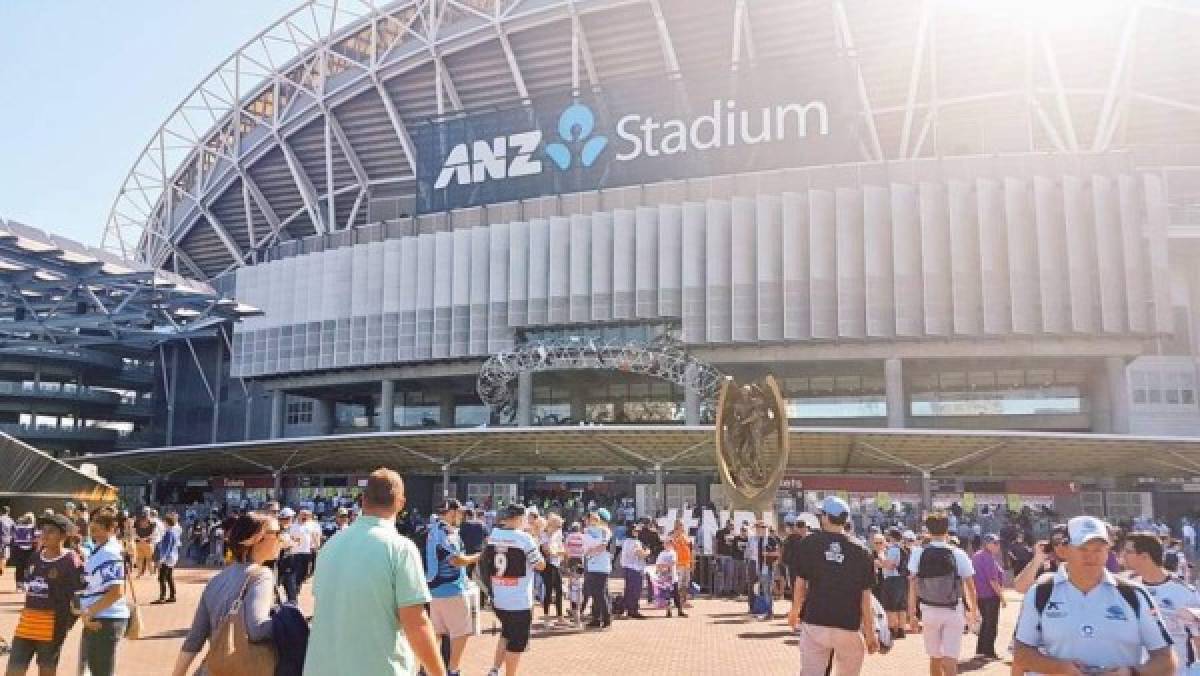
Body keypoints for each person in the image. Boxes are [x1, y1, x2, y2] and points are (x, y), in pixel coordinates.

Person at [304, 469, 446, 676]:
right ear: (401, 503)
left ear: (362, 500)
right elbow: (416, 623)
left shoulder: (330, 545)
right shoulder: (400, 548)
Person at [1013, 516, 1177, 676]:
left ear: (1108, 551)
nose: (1091, 556)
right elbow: (1021, 652)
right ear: (1064, 550)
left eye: (1098, 549)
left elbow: (1166, 660)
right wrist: (1059, 668)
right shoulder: (1041, 592)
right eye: (1083, 548)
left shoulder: (1134, 594)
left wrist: (1131, 673)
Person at [171, 511, 282, 676]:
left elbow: (194, 639)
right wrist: (289, 621)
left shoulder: (217, 580)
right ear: (258, 538)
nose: (281, 539)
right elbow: (257, 629)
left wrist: (178, 673)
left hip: (214, 668)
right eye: (277, 533)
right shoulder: (261, 576)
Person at [788, 496, 879, 676]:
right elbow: (865, 597)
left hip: (815, 621)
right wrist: (870, 632)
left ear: (825, 517)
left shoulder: (809, 543)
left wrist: (795, 611)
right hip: (848, 624)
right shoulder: (861, 550)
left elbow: (800, 584)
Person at [5, 514, 84, 676]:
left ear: (63, 535)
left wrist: (65, 624)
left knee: (46, 671)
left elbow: (80, 595)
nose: (45, 535)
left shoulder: (71, 560)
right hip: (26, 625)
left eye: (51, 531)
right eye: (43, 530)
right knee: (14, 670)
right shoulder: (35, 557)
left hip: (51, 627)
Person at [907, 512, 978, 676]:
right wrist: (973, 610)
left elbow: (912, 585)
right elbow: (970, 586)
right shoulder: (958, 553)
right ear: (948, 530)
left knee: (934, 657)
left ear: (927, 530)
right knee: (951, 659)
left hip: (928, 609)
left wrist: (912, 614)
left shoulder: (919, 553)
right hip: (953, 610)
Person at [481, 503, 546, 676]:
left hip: (499, 596)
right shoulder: (524, 539)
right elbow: (540, 565)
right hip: (519, 601)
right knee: (516, 644)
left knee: (506, 633)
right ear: (518, 518)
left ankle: (494, 669)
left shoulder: (494, 534)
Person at [1123, 531, 1200, 676]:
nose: (1122, 555)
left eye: (1128, 552)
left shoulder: (1184, 592)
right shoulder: (1127, 588)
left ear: (1144, 556)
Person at [425, 499, 481, 676]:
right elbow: (455, 560)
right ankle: (453, 670)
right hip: (452, 590)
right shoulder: (446, 532)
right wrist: (477, 557)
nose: (461, 516)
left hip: (433, 590)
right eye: (459, 512)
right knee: (461, 632)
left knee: (437, 633)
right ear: (451, 512)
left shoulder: (431, 529)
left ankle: (429, 669)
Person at [78, 507, 131, 676]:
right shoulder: (100, 548)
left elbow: (117, 591)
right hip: (99, 615)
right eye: (92, 524)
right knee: (92, 667)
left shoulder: (109, 552)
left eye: (98, 526)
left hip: (106, 618)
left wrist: (90, 610)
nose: (93, 530)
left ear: (111, 528)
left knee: (101, 670)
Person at [970, 533, 1005, 660]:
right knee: (990, 624)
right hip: (990, 596)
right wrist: (1002, 597)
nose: (998, 546)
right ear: (987, 544)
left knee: (985, 624)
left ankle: (981, 650)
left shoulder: (976, 556)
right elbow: (993, 580)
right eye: (995, 543)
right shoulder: (987, 557)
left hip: (980, 595)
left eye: (998, 543)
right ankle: (988, 652)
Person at [581, 509, 612, 629]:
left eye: (596, 518)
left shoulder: (605, 530)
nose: (592, 520)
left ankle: (606, 618)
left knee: (601, 592)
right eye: (591, 518)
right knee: (594, 593)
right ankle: (596, 618)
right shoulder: (587, 530)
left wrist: (591, 551)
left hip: (602, 566)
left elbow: (603, 546)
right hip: (591, 565)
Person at [879, 527, 909, 640]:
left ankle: (892, 630)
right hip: (901, 579)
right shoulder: (902, 548)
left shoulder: (892, 549)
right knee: (901, 606)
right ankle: (901, 630)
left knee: (890, 605)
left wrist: (881, 556)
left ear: (891, 537)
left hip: (892, 579)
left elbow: (890, 565)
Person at [747, 520, 781, 619]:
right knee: (752, 588)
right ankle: (753, 608)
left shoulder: (771, 539)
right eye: (757, 528)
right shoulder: (752, 539)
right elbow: (748, 552)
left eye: (762, 528)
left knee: (767, 590)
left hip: (766, 568)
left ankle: (769, 612)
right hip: (754, 565)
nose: (759, 530)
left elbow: (777, 553)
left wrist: (767, 554)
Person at [537, 513, 565, 627]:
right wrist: (558, 552)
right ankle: (546, 617)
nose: (559, 528)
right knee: (548, 590)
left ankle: (560, 617)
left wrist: (558, 552)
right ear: (551, 525)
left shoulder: (558, 533)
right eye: (558, 526)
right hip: (547, 565)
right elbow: (547, 551)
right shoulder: (543, 534)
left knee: (559, 590)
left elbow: (561, 548)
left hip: (556, 563)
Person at [619, 522, 650, 620]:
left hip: (627, 568)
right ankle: (633, 610)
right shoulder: (634, 542)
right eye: (635, 531)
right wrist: (648, 551)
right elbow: (640, 554)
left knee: (628, 590)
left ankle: (628, 609)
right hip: (635, 569)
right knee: (635, 590)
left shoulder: (626, 541)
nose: (637, 532)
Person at [289, 509, 322, 599]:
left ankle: (297, 585)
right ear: (299, 515)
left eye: (307, 515)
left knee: (305, 572)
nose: (304, 516)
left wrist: (317, 546)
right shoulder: (294, 526)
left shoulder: (311, 525)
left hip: (307, 552)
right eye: (303, 514)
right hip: (296, 552)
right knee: (296, 571)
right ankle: (295, 589)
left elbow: (315, 536)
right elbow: (290, 537)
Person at [654, 538, 687, 618]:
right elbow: (658, 564)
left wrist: (664, 566)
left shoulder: (673, 553)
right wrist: (660, 569)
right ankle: (668, 611)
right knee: (667, 595)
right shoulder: (661, 554)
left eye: (669, 543)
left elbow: (673, 563)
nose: (667, 545)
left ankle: (680, 610)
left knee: (676, 594)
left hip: (672, 577)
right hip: (664, 577)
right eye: (666, 543)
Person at [153, 512, 182, 604]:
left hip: (168, 558)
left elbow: (167, 547)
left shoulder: (169, 533)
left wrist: (161, 560)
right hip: (172, 557)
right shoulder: (173, 532)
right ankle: (172, 595)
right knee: (169, 577)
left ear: (167, 522)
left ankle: (162, 597)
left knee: (162, 578)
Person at [669, 520, 694, 608]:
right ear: (676, 525)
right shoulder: (673, 536)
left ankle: (684, 601)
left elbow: (690, 548)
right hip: (678, 563)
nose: (681, 526)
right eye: (679, 525)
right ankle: (677, 601)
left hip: (687, 563)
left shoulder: (685, 536)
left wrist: (692, 563)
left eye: (682, 525)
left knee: (686, 583)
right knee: (678, 584)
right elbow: (670, 548)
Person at [11, 513, 37, 592]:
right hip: (28, 549)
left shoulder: (17, 526)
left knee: (20, 567)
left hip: (19, 549)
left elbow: (13, 536)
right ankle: (24, 584)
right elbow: (35, 538)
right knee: (27, 567)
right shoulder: (32, 527)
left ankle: (20, 584)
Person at [132, 509, 156, 577]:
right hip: (148, 543)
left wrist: (139, 538)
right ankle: (152, 574)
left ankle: (139, 574)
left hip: (138, 542)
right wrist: (145, 539)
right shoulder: (152, 523)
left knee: (140, 559)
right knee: (149, 559)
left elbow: (133, 532)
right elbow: (154, 534)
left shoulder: (137, 522)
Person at [0, 505, 14, 580]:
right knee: (4, 556)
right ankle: (1, 569)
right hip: (7, 540)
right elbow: (14, 531)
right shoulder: (11, 520)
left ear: (1, 512)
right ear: (8, 512)